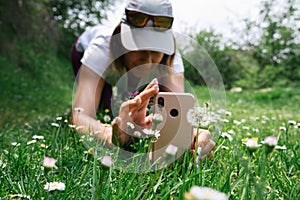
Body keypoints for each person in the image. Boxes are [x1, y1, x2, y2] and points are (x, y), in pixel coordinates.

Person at [71, 0, 215, 159]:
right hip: (83, 53)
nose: (147, 60)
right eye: (138, 47)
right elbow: (80, 115)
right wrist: (108, 135)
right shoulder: (100, 49)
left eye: (156, 50)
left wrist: (189, 133)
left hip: (126, 68)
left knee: (141, 103)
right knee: (105, 106)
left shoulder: (172, 58)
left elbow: (178, 109)